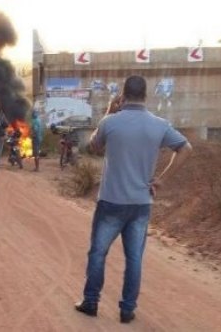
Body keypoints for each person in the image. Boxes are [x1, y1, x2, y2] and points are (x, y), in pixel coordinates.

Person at [75, 75, 192, 324]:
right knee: (135, 259)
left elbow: (93, 147)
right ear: (146, 96)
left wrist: (108, 111)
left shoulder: (110, 122)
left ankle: (91, 302)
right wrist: (161, 179)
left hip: (111, 202)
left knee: (98, 253)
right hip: (141, 203)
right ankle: (127, 310)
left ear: (123, 96)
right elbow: (185, 148)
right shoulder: (159, 124)